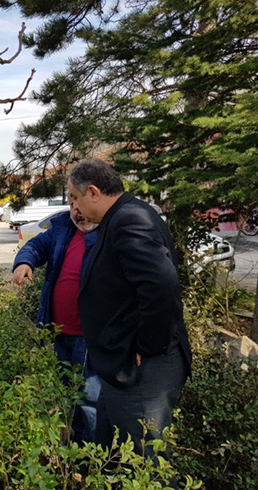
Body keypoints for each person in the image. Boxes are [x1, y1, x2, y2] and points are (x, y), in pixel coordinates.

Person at [67, 158, 192, 457]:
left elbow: (160, 286)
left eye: (75, 197)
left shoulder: (129, 219)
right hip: (121, 370)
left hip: (144, 371)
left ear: (93, 192)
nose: (74, 207)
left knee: (145, 463)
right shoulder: (119, 217)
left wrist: (148, 346)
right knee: (110, 455)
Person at [12, 206, 100, 444]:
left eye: (80, 201)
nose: (77, 211)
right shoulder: (63, 227)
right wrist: (24, 262)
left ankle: (89, 457)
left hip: (89, 337)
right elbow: (35, 246)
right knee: (67, 395)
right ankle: (72, 448)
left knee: (89, 400)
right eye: (71, 203)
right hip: (61, 333)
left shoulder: (109, 232)